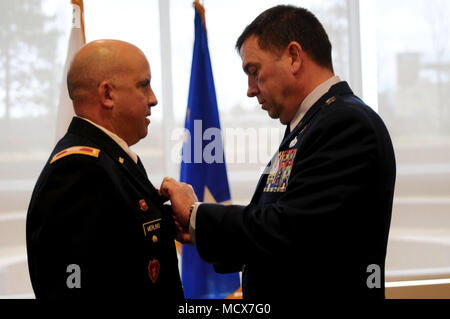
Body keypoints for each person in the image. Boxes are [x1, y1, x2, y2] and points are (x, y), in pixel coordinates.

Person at [161, 5, 396, 300]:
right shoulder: (311, 124)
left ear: (293, 57)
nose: (250, 89)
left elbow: (289, 230)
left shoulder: (347, 124)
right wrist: (201, 232)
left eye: (254, 71)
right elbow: (276, 224)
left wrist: (198, 216)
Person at [26, 40, 183, 300]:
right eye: (144, 85)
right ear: (107, 94)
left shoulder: (111, 159)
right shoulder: (79, 169)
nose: (153, 99)